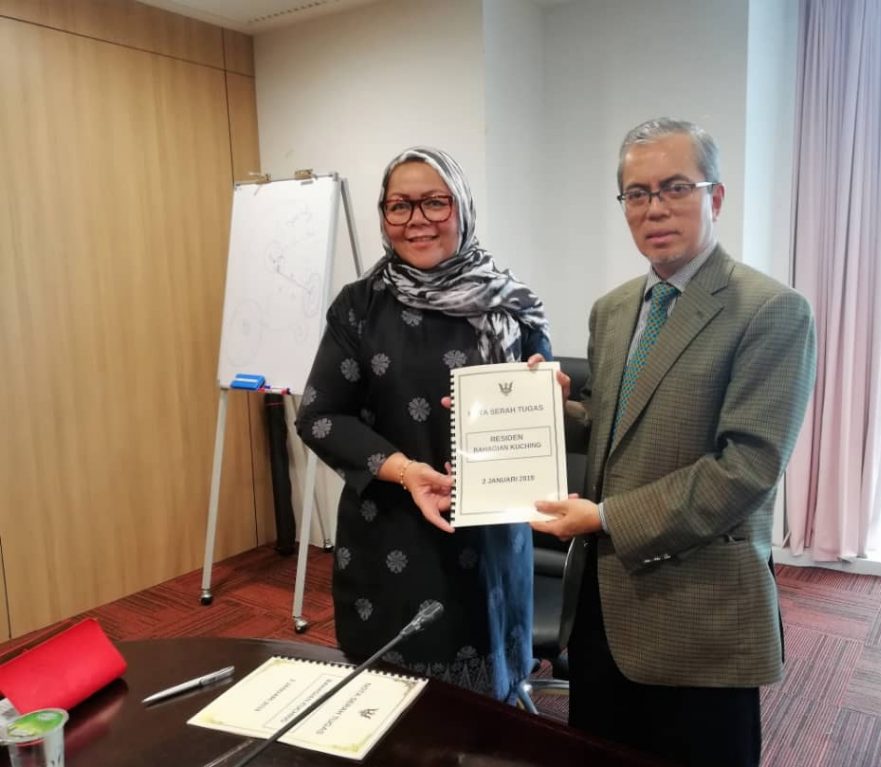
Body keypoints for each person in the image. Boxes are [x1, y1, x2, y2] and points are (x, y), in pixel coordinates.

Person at [531, 118, 817, 765]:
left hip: (698, 614)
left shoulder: (771, 310)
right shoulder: (612, 309)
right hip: (602, 604)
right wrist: (550, 410)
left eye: (675, 187)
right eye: (637, 193)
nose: (654, 208)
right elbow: (612, 422)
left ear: (716, 197)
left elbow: (745, 469)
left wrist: (605, 517)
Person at [296, 147, 551, 702]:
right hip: (393, 532)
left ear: (462, 207)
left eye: (435, 202)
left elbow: (539, 404)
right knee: (392, 707)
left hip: (490, 538)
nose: (417, 221)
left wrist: (549, 399)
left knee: (490, 703)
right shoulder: (359, 308)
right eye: (399, 206)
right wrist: (406, 471)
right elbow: (318, 416)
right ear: (383, 215)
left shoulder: (511, 306)